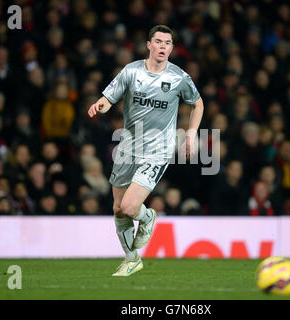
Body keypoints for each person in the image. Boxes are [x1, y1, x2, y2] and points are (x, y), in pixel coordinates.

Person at [87, 25, 204, 276]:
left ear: (172, 48)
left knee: (130, 207)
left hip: (157, 150)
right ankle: (131, 259)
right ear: (148, 45)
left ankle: (148, 217)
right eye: (158, 41)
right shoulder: (131, 71)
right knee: (118, 208)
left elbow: (198, 103)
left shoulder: (178, 77)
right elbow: (110, 97)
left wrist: (192, 132)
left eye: (168, 43)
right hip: (128, 147)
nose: (163, 46)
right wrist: (102, 104)